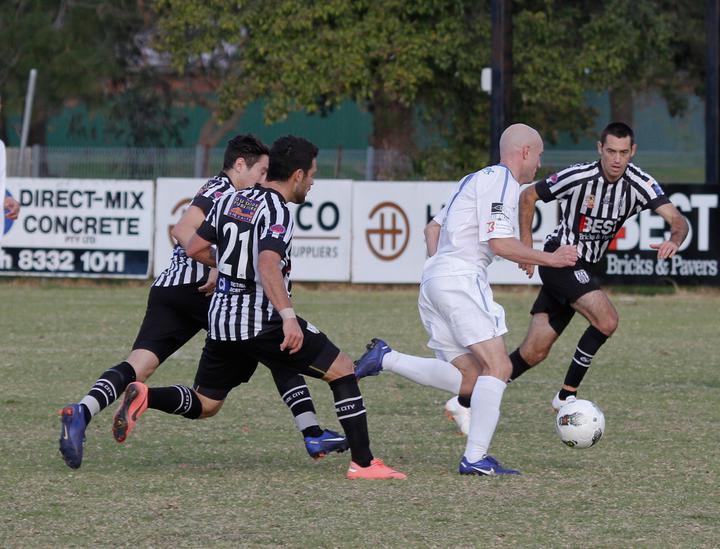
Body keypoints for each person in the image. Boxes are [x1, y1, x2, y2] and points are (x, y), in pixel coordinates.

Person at [113, 135, 406, 480]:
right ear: (296, 175)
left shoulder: (232, 200)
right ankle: (365, 463)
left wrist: (227, 267)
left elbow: (193, 247)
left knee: (206, 403)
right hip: (259, 320)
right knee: (342, 369)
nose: (313, 183)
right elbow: (268, 264)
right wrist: (288, 317)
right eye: (311, 175)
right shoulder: (277, 210)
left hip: (221, 319)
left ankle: (147, 395)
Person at [58, 134, 347, 469]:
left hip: (169, 286)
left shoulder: (217, 189)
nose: (266, 178)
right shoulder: (230, 194)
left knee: (140, 365)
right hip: (203, 291)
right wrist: (221, 264)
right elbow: (182, 231)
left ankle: (81, 412)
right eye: (262, 170)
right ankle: (312, 431)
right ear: (240, 165)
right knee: (278, 342)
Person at [355, 124, 577, 475]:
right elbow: (498, 244)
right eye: (539, 155)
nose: (539, 163)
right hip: (459, 278)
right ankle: (475, 458)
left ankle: (386, 358)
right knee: (499, 367)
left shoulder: (472, 180)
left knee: (471, 377)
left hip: (434, 280)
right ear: (524, 152)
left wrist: (438, 267)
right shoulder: (504, 180)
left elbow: (432, 229)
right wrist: (553, 258)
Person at [506, 121, 689, 409]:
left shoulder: (640, 184)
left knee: (534, 351)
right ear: (600, 149)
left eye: (624, 152)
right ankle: (566, 396)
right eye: (611, 151)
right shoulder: (579, 176)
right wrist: (527, 249)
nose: (617, 159)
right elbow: (528, 195)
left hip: (585, 267)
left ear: (633, 152)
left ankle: (469, 396)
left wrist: (675, 240)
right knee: (607, 320)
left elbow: (678, 220)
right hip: (560, 259)